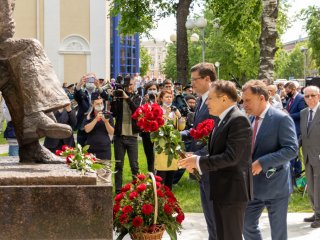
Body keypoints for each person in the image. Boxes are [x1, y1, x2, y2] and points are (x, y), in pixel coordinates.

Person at [179, 80, 253, 240]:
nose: (207, 103)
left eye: (211, 98)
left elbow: (231, 157)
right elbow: (217, 152)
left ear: (224, 99)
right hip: (221, 189)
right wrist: (195, 159)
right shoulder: (222, 119)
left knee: (230, 236)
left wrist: (199, 162)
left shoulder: (238, 120)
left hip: (232, 192)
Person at [242, 80, 298, 240]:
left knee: (278, 234)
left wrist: (263, 162)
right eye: (243, 100)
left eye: (247, 100)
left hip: (276, 186)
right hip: (253, 186)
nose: (244, 104)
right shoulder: (251, 119)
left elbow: (292, 149)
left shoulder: (281, 119)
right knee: (246, 225)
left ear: (261, 98)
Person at [180, 62, 217, 240]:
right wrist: (177, 134)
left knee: (215, 213)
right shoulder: (202, 99)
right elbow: (197, 130)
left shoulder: (216, 100)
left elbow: (215, 136)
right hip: (200, 165)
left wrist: (198, 156)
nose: (192, 84)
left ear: (207, 79)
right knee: (208, 213)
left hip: (211, 164)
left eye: (195, 79)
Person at [111, 76, 141, 194]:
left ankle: (138, 190)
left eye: (132, 84)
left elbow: (137, 111)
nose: (129, 87)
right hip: (119, 136)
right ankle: (118, 191)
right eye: (127, 85)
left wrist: (127, 98)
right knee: (119, 165)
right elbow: (113, 113)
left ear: (134, 85)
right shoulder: (118, 97)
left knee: (134, 165)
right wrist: (114, 99)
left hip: (132, 136)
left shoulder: (137, 97)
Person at [300, 85, 320, 228]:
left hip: (319, 156)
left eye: (312, 95)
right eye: (307, 96)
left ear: (318, 96)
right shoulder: (303, 113)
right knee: (311, 187)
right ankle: (316, 211)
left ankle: (319, 216)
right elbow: (303, 135)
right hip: (307, 156)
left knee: (318, 187)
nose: (310, 98)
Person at [74, 73, 109, 146]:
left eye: (92, 79)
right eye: (88, 79)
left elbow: (106, 97)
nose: (90, 82)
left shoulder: (99, 92)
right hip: (82, 125)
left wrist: (98, 86)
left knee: (95, 149)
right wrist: (79, 84)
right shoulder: (82, 92)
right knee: (81, 150)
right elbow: (76, 95)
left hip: (96, 124)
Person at [156, 89, 182, 190]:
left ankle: (168, 195)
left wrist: (179, 117)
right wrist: (166, 115)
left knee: (171, 171)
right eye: (167, 97)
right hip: (162, 144)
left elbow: (181, 127)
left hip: (172, 145)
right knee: (161, 171)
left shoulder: (174, 110)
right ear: (161, 98)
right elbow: (157, 127)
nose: (169, 99)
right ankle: (159, 196)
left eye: (170, 97)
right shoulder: (158, 110)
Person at [284, 81, 306, 182]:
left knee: (293, 153)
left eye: (288, 91)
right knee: (295, 154)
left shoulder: (300, 98)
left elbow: (302, 113)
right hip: (290, 129)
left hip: (297, 130)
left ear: (293, 90)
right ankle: (297, 175)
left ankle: (293, 177)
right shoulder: (290, 99)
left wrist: (288, 115)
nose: (286, 92)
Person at [84, 92, 114, 160]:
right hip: (91, 149)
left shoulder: (108, 115)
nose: (100, 105)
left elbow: (112, 132)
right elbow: (87, 130)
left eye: (101, 103)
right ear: (92, 104)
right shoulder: (88, 115)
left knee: (105, 170)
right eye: (97, 104)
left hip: (104, 150)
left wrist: (106, 122)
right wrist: (96, 119)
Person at [140, 81, 159, 173]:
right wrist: (145, 102)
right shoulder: (143, 100)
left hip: (158, 131)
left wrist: (156, 102)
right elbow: (140, 114)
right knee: (149, 155)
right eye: (150, 89)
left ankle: (159, 174)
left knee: (158, 154)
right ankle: (151, 174)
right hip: (146, 131)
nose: (152, 91)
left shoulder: (160, 99)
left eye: (154, 89)